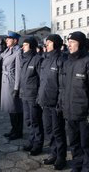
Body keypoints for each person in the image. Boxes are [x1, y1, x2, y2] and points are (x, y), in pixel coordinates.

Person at [59, 31, 89, 172]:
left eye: (72, 42)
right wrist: (61, 104)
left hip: (84, 114)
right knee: (74, 143)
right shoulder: (67, 62)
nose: (69, 45)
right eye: (68, 42)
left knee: (86, 144)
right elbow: (63, 87)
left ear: (80, 44)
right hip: (69, 112)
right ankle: (77, 166)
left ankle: (87, 168)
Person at [37, 34, 67, 170]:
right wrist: (39, 98)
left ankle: (61, 157)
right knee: (49, 130)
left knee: (58, 131)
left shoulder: (61, 60)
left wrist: (59, 103)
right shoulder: (45, 59)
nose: (46, 45)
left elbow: (63, 86)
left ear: (55, 44)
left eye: (48, 43)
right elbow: (42, 82)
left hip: (55, 103)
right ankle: (53, 154)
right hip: (45, 102)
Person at [19, 37, 44, 156]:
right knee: (28, 120)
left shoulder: (37, 59)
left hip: (33, 96)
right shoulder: (23, 59)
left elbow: (41, 80)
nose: (23, 47)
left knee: (36, 121)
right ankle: (31, 141)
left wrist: (39, 96)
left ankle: (38, 144)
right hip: (25, 95)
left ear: (32, 46)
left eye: (25, 45)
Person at [0, 31, 23, 141]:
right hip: (6, 82)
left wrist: (17, 87)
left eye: (9, 39)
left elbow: (19, 71)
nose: (6, 40)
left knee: (15, 108)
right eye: (6, 39)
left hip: (12, 83)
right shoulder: (8, 50)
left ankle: (18, 131)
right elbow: (1, 56)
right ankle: (14, 129)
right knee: (10, 108)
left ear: (15, 40)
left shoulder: (18, 52)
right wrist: (0, 45)